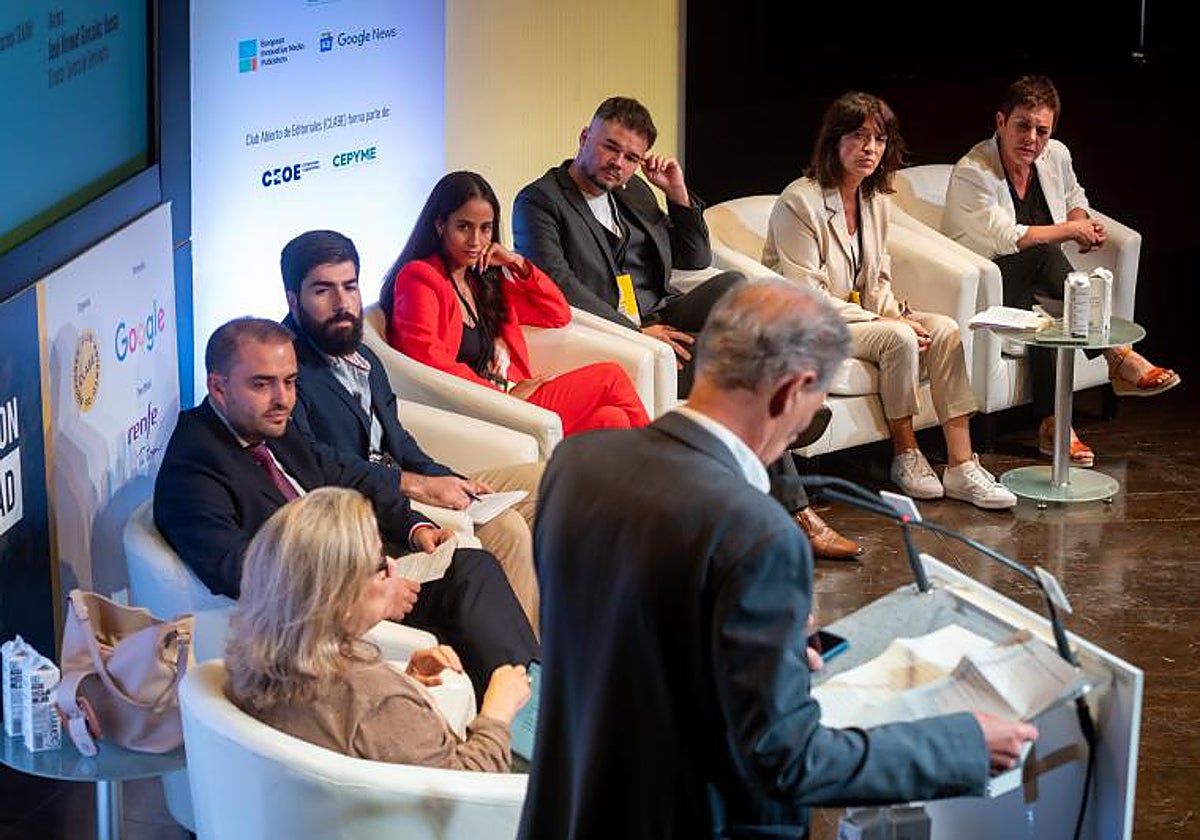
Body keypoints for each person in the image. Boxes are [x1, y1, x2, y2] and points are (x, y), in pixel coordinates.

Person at [519, 279, 1037, 840]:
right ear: (793, 392)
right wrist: (960, 745)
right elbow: (787, 758)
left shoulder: (576, 464)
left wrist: (752, 649)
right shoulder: (759, 534)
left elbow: (625, 638)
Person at [513, 95, 859, 557]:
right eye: (610, 148)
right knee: (741, 379)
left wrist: (676, 193)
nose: (618, 164)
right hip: (612, 336)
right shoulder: (540, 201)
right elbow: (560, 286)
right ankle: (792, 487)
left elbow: (694, 257)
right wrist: (635, 334)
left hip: (660, 316)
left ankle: (773, 412)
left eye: (631, 157)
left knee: (735, 287)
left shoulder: (632, 191)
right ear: (584, 138)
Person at [153, 317, 539, 697]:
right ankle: (526, 722)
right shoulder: (193, 467)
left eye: (289, 382)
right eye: (262, 384)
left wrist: (414, 526)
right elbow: (243, 570)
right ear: (218, 388)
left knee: (472, 567)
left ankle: (531, 706)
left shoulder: (271, 426)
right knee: (471, 593)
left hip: (371, 570)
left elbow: (345, 473)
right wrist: (362, 595)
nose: (283, 399)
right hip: (319, 615)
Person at [280, 229, 543, 631]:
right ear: (292, 299)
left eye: (349, 287)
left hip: (408, 483)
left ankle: (572, 627)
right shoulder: (284, 372)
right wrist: (419, 486)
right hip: (377, 508)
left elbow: (399, 441)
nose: (342, 303)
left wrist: (449, 478)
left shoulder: (363, 354)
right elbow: (323, 466)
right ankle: (526, 673)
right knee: (505, 529)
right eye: (323, 290)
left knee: (550, 478)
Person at [763, 92, 1016, 509]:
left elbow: (877, 277)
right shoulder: (799, 201)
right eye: (859, 136)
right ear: (834, 140)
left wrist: (898, 313)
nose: (870, 149)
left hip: (861, 317)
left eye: (879, 139)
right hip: (810, 322)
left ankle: (960, 464)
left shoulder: (873, 200)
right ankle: (906, 454)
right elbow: (806, 293)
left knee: (945, 328)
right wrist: (889, 323)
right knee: (897, 338)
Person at [942, 75, 1179, 466]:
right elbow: (1007, 238)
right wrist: (1071, 231)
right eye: (1022, 126)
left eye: (1041, 130)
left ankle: (1054, 425)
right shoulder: (974, 170)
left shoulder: (1055, 156)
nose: (1031, 139)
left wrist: (1081, 219)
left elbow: (1074, 195)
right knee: (1045, 257)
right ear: (1000, 122)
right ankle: (1118, 357)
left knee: (1050, 317)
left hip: (1033, 287)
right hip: (986, 280)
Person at [225, 487, 531, 770]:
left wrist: (407, 683)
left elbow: (359, 736)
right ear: (338, 598)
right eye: (380, 566)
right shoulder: (378, 702)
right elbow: (464, 797)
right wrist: (497, 715)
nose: (395, 567)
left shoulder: (251, 665)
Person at [380, 171, 651, 437]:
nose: (476, 241)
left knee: (612, 418)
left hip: (513, 399)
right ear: (440, 225)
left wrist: (516, 263)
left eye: (485, 229)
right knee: (611, 376)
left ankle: (625, 477)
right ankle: (668, 462)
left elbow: (557, 313)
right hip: (482, 409)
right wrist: (504, 396)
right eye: (463, 227)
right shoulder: (419, 278)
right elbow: (430, 363)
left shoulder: (482, 280)